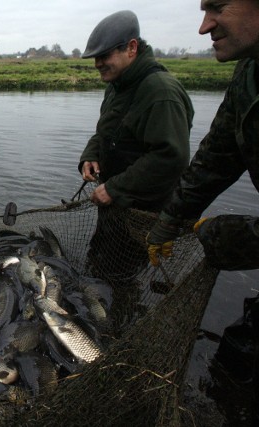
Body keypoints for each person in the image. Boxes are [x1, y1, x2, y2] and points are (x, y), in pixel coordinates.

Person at [146, 1, 259, 422]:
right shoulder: (249, 71)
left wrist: (219, 234)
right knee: (235, 361)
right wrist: (167, 223)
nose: (203, 26)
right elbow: (215, 158)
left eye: (218, 7)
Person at [77, 10, 194, 285]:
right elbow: (106, 131)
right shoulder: (117, 85)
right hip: (114, 206)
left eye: (104, 55)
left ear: (131, 47)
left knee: (121, 279)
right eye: (95, 57)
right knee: (99, 267)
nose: (97, 64)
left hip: (140, 214)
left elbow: (171, 157)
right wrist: (91, 155)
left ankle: (119, 322)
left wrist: (116, 188)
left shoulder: (160, 92)